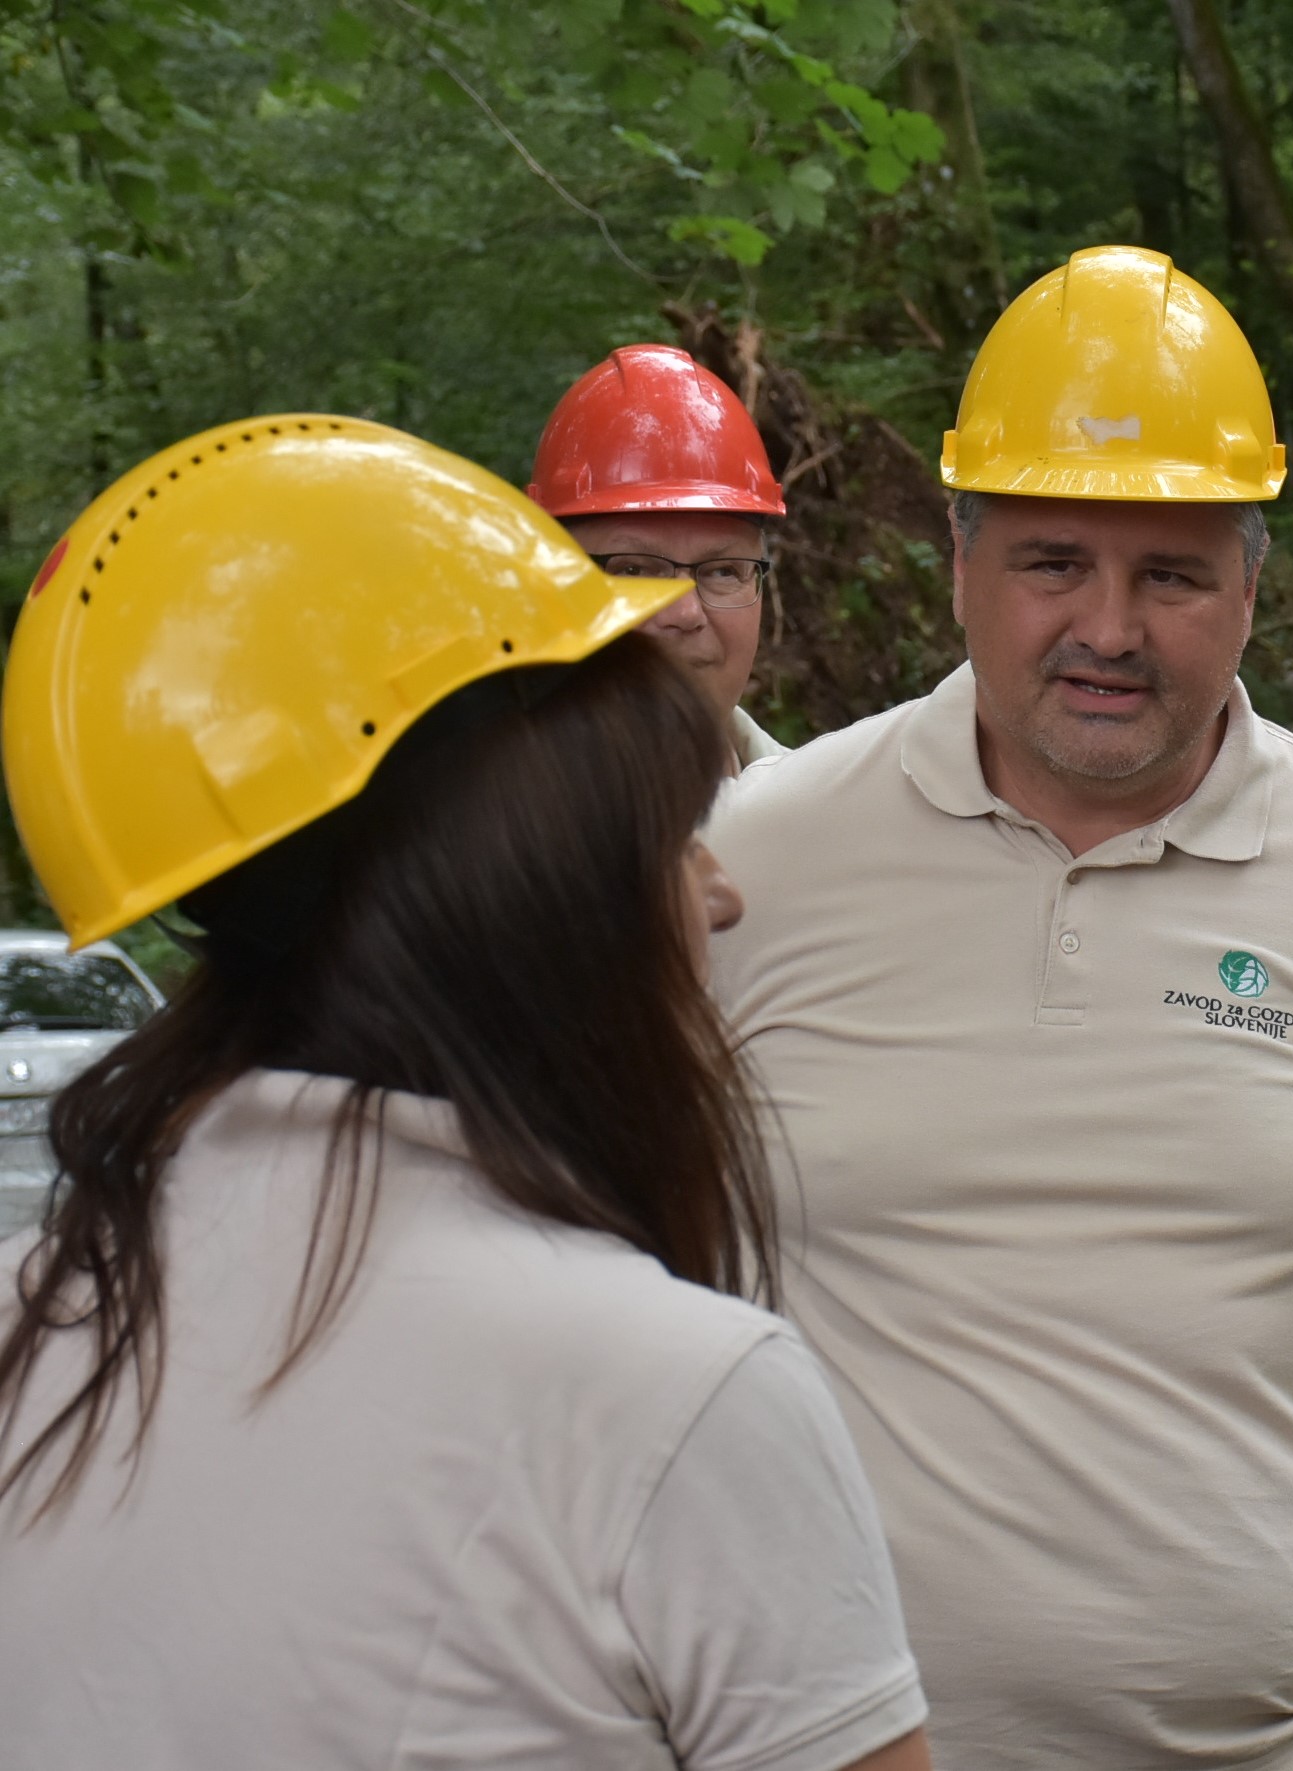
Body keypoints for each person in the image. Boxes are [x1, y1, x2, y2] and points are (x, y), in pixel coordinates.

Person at [706, 246, 1293, 1771]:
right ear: (960, 562)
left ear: (1253, 584)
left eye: (1171, 573)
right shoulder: (755, 864)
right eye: (1054, 562)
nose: (1109, 629)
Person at [0, 417, 930, 1771]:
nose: (720, 896)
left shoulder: (36, 1320)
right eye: (674, 841)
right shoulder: (679, 1396)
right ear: (535, 900)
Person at [529, 343, 791, 769]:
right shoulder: (463, 824)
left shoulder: (825, 820)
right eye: (633, 569)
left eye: (723, 571)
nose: (685, 612)